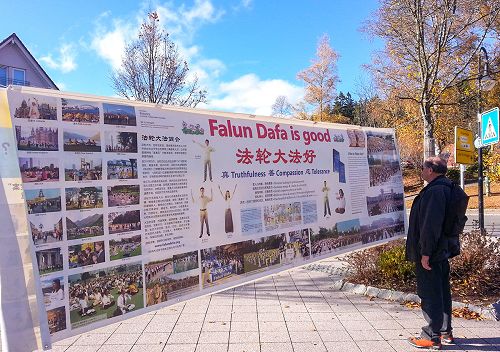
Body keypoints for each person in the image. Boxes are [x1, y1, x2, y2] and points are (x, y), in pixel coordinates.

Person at [405, 156, 455, 350]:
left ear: (431, 171)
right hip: (442, 250)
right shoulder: (447, 187)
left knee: (430, 293)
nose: (421, 171)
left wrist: (425, 253)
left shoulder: (435, 192)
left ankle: (431, 337)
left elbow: (430, 226)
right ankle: (445, 331)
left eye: (423, 168)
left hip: (431, 252)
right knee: (442, 291)